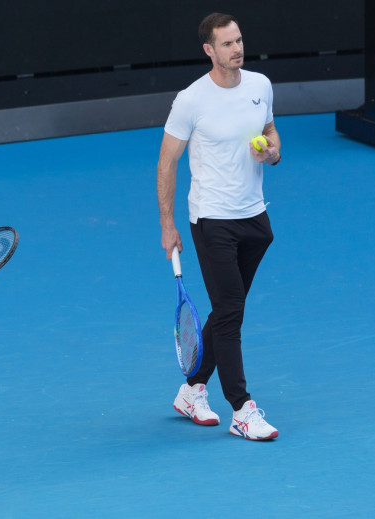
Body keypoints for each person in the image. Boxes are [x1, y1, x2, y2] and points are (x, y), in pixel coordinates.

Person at [156, 13, 281, 441]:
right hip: (212, 221)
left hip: (255, 219)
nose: (237, 49)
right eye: (227, 44)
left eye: (240, 40)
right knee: (230, 312)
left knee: (227, 309)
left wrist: (273, 152)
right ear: (209, 50)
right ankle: (241, 409)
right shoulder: (191, 100)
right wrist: (167, 224)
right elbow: (166, 162)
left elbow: (269, 130)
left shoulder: (260, 85)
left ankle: (191, 390)